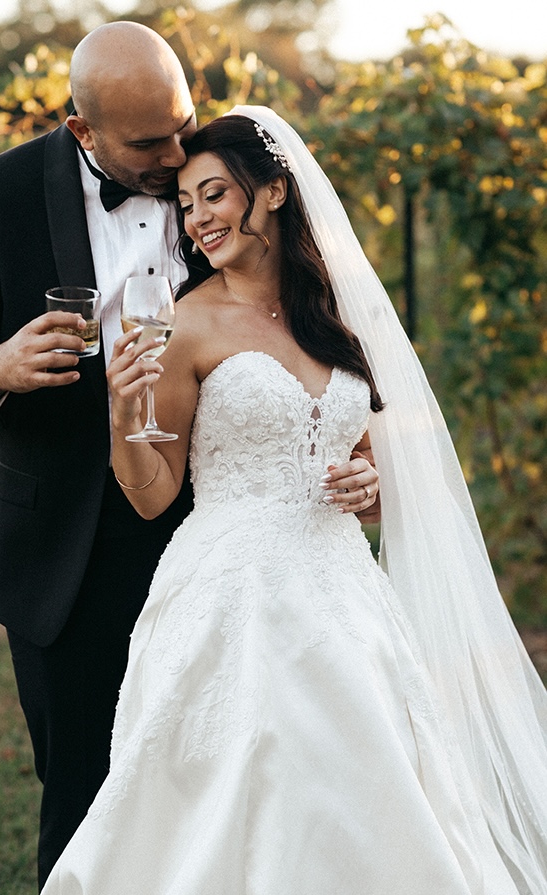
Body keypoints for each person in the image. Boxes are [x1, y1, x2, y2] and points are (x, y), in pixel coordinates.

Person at [40, 108, 547, 894]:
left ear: (273, 190)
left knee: (365, 777)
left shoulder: (337, 316)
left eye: (214, 194)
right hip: (230, 596)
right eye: (186, 203)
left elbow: (372, 467)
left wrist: (371, 486)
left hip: (344, 590)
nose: (198, 218)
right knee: (253, 770)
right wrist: (121, 417)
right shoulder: (185, 323)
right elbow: (152, 496)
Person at [0, 22, 197, 889]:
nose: (177, 155)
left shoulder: (219, 175)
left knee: (204, 772)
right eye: (149, 142)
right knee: (85, 787)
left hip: (205, 530)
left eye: (183, 124)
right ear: (83, 132)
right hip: (67, 546)